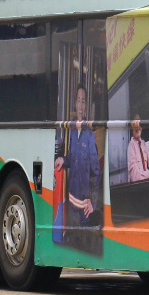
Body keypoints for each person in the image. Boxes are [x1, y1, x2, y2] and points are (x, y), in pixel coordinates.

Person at [54, 83, 101, 245]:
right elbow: (72, 158)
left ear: (86, 106)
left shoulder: (89, 134)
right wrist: (63, 160)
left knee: (83, 245)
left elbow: (96, 172)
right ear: (75, 103)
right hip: (71, 203)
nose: (80, 105)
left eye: (83, 101)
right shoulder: (72, 130)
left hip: (83, 207)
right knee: (71, 244)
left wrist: (93, 202)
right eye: (78, 100)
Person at [126, 116, 149, 182]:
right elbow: (134, 175)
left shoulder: (143, 144)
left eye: (139, 124)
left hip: (146, 183)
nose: (137, 127)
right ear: (132, 128)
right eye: (135, 125)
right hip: (138, 186)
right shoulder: (131, 147)